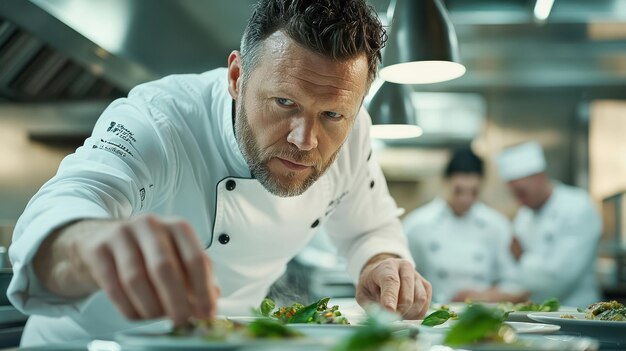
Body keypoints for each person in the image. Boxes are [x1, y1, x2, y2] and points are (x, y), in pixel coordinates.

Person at [7, 0, 432, 346]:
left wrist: (383, 263)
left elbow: (368, 228)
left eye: (333, 114)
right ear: (236, 76)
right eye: (284, 103)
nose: (305, 139)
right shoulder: (159, 121)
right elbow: (71, 199)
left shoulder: (355, 135)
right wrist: (96, 241)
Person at [459, 141, 601, 307]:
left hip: (578, 312)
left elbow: (559, 278)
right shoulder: (524, 216)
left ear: (539, 177)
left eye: (521, 192)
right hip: (538, 312)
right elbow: (517, 275)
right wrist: (487, 294)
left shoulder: (578, 206)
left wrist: (521, 256)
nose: (518, 200)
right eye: (514, 194)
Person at [403, 148, 522, 303]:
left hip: (482, 316)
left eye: (473, 192)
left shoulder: (496, 225)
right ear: (444, 182)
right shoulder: (417, 225)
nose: (465, 199)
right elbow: (406, 277)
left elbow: (514, 282)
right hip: (434, 316)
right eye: (458, 191)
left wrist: (483, 296)